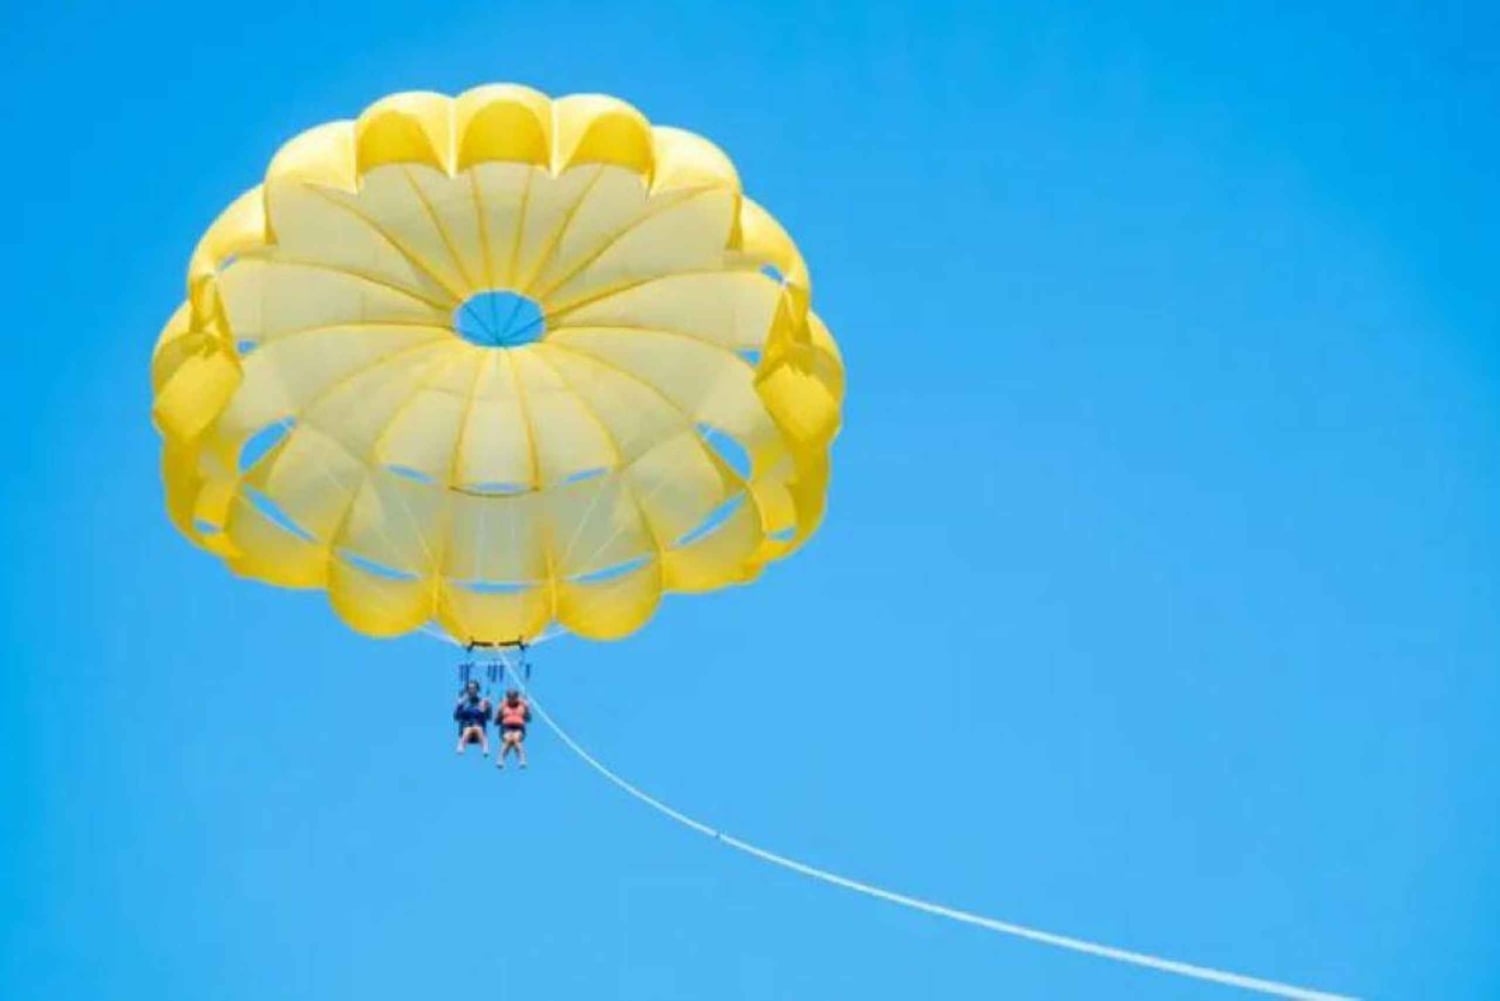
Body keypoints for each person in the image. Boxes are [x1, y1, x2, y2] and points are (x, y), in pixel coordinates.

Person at [453, 680, 492, 755]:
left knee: (477, 728)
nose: (471, 690)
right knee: (468, 729)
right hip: (466, 728)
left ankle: (485, 747)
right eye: (469, 688)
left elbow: (488, 717)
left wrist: (488, 707)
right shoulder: (463, 703)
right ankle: (461, 745)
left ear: (477, 689)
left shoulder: (482, 702)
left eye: (473, 688)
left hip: (479, 730)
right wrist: (460, 705)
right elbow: (456, 717)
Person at [496, 688, 532, 769]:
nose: (512, 699)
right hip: (506, 727)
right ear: (507, 697)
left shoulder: (522, 705)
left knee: (515, 739)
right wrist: (499, 712)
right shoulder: (503, 706)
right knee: (508, 739)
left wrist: (527, 709)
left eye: (514, 697)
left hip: (519, 727)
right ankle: (501, 759)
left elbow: (529, 719)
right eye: (510, 697)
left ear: (517, 697)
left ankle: (522, 759)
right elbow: (496, 722)